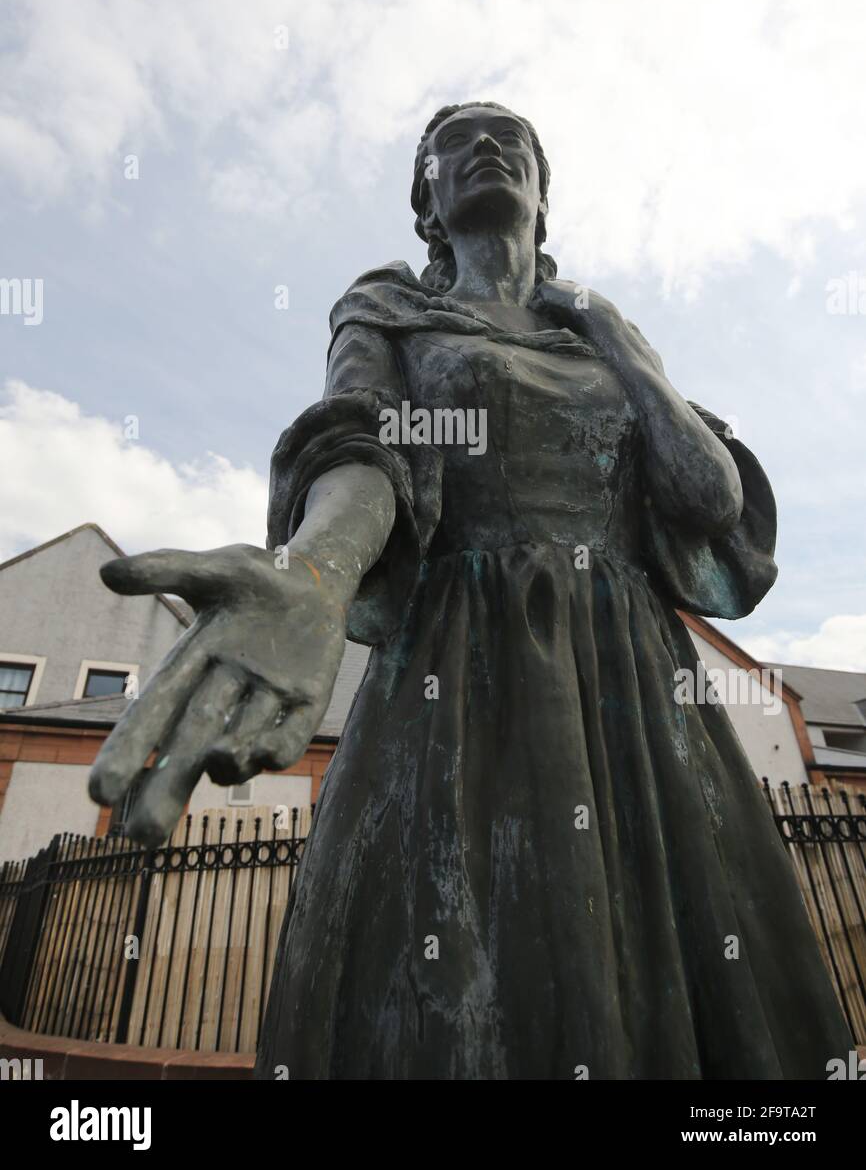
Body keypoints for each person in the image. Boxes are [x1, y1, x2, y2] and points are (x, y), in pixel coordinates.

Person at [90, 101, 851, 1079]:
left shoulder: (598, 338)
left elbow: (707, 494)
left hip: (628, 675)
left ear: (541, 191)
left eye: (513, 142)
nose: (485, 149)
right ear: (426, 199)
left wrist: (616, 338)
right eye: (455, 144)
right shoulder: (390, 309)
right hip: (461, 663)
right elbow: (363, 442)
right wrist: (317, 564)